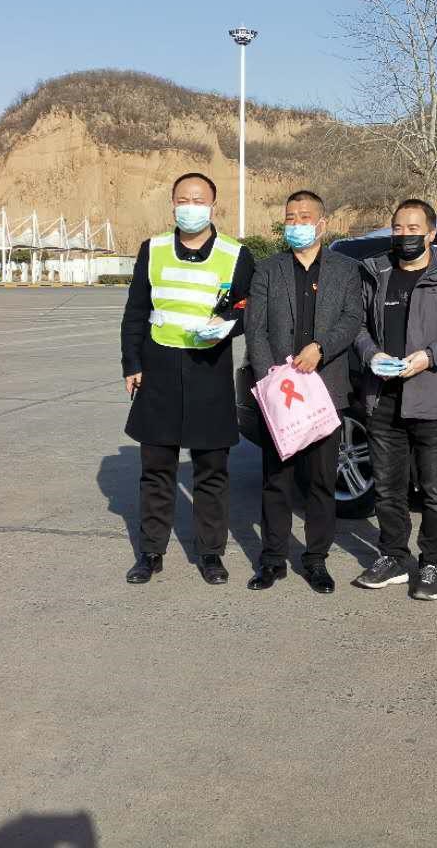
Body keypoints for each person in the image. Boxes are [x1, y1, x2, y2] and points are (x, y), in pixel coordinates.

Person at [120, 172, 255, 585]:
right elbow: (136, 310)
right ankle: (150, 552)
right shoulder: (154, 249)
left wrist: (228, 325)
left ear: (213, 205)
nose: (190, 207)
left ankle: (210, 554)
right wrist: (132, 363)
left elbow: (248, 308)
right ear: (173, 204)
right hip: (158, 369)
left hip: (208, 370)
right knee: (156, 468)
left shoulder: (236, 254)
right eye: (183, 199)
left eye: (198, 200)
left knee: (211, 470)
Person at [352, 199, 437, 601]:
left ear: (431, 234)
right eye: (398, 228)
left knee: (436, 492)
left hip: (435, 400)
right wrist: (370, 354)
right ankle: (393, 556)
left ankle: (432, 563)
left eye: (413, 229)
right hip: (383, 398)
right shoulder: (375, 273)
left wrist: (430, 356)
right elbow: (356, 326)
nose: (404, 235)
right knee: (387, 489)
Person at [243, 190, 364, 594]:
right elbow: (255, 328)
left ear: (322, 224)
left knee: (321, 481)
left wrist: (321, 348)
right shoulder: (268, 270)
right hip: (280, 392)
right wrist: (271, 377)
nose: (296, 224)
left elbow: (352, 319)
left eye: (305, 217)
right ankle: (272, 560)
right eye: (290, 218)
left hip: (325, 390)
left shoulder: (346, 270)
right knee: (276, 480)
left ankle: (316, 560)